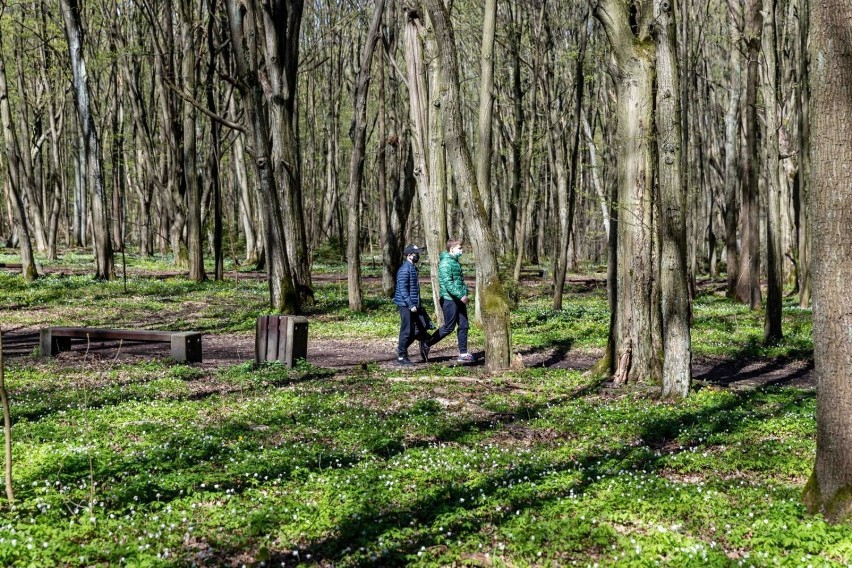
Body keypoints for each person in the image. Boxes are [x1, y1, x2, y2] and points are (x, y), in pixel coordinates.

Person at [424, 240, 475, 363]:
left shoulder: (454, 262)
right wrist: (461, 295)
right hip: (449, 300)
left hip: (459, 299)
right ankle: (426, 344)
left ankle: (463, 354)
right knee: (449, 327)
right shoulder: (446, 263)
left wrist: (464, 292)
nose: (461, 250)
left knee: (464, 325)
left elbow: (458, 281)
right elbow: (448, 283)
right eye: (459, 248)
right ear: (451, 249)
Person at [393, 244, 432, 366]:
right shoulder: (405, 269)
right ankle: (401, 357)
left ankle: (401, 348)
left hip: (413, 305)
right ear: (409, 255)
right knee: (406, 331)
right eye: (416, 254)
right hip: (406, 305)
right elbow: (403, 289)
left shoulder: (412, 268)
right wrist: (410, 304)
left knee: (418, 330)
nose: (418, 256)